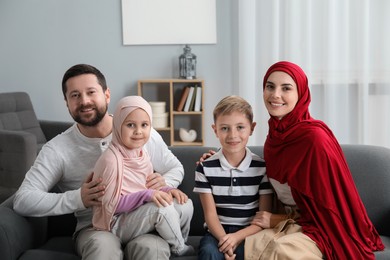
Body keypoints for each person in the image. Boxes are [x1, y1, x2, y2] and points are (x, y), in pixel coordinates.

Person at [13, 64, 191, 260]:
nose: (84, 101)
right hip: (94, 228)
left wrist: (165, 182)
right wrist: (79, 198)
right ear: (67, 103)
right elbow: (23, 200)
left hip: (143, 221)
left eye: (91, 92)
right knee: (102, 249)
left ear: (107, 95)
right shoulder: (57, 149)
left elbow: (175, 168)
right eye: (75, 95)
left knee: (151, 249)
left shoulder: (139, 130)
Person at [245, 61, 384, 259]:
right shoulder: (274, 138)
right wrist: (217, 158)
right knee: (250, 246)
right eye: (270, 86)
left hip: (319, 225)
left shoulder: (314, 139)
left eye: (286, 88)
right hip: (289, 221)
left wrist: (277, 219)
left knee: (280, 250)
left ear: (300, 94)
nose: (275, 95)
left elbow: (326, 208)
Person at [92, 95, 194, 256]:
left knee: (185, 204)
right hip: (116, 223)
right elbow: (110, 205)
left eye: (144, 125)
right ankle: (179, 248)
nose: (138, 131)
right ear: (118, 125)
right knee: (163, 210)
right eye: (130, 125)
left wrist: (167, 190)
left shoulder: (141, 153)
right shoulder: (111, 160)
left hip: (139, 213)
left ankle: (178, 240)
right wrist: (147, 195)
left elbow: (146, 185)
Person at [193, 95, 274, 260]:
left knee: (253, 253)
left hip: (249, 232)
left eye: (240, 127)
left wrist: (236, 238)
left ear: (251, 128)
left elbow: (262, 216)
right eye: (224, 128)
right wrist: (225, 240)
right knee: (209, 253)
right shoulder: (205, 168)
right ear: (215, 129)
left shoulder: (262, 168)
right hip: (216, 233)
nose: (232, 135)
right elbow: (210, 216)